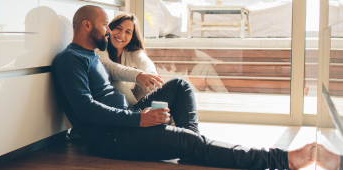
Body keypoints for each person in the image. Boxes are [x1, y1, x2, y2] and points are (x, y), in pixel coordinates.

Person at [52, 5, 316, 169]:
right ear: (87, 26)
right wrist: (139, 121)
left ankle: (191, 146)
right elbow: (85, 110)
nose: (109, 33)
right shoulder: (69, 59)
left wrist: (138, 114)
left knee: (179, 85)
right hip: (109, 138)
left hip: (126, 120)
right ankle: (280, 160)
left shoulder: (93, 56)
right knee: (187, 141)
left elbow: (118, 74)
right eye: (104, 26)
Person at [96, 13, 157, 106]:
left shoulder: (132, 51)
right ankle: (139, 112)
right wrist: (138, 75)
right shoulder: (100, 48)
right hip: (111, 102)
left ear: (132, 36)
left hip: (134, 99)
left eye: (128, 32)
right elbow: (110, 67)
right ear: (110, 28)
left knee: (179, 83)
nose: (121, 34)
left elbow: (145, 62)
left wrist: (149, 75)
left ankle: (147, 112)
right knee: (115, 79)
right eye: (118, 28)